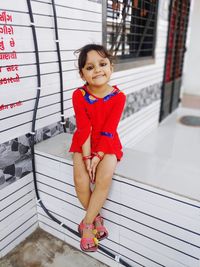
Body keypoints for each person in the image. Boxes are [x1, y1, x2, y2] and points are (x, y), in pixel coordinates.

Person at [69, 44, 126, 252]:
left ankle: (86, 225)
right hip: (84, 142)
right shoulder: (79, 95)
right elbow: (84, 128)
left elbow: (109, 130)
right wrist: (86, 159)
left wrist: (98, 157)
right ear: (82, 73)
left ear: (111, 67)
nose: (98, 70)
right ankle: (96, 217)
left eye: (102, 64)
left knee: (103, 178)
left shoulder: (119, 97)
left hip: (108, 143)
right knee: (81, 180)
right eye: (90, 67)